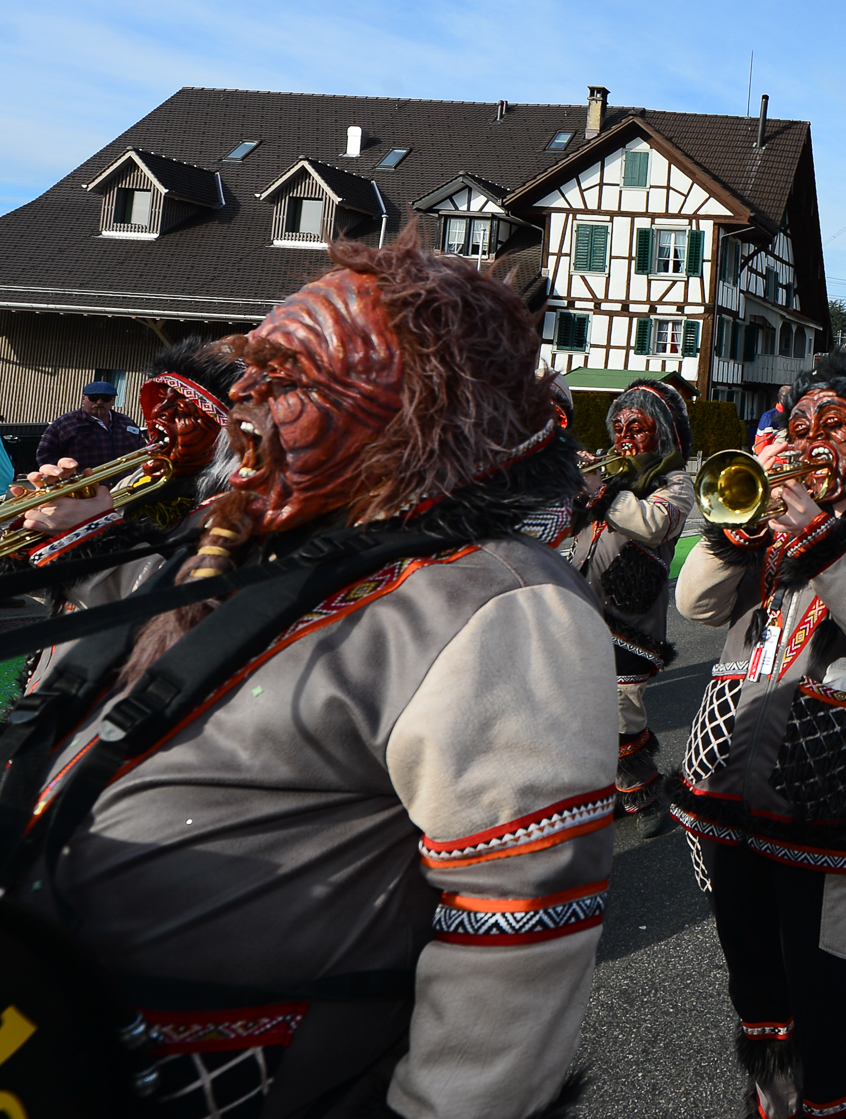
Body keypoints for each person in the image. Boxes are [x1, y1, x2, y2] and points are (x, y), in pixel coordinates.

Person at [0, 235, 611, 1117]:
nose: (241, 393)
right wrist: (92, 541)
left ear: (414, 413)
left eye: (286, 375)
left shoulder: (501, 603)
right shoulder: (244, 535)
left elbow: (517, 925)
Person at [669, 351, 846, 1119]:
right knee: (754, 981)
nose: (812, 440)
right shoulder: (772, 523)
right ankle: (774, 1100)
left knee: (825, 985)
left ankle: (839, 1103)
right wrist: (737, 526)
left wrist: (820, 534)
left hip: (824, 796)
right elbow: (693, 605)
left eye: (835, 425)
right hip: (726, 781)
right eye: (800, 425)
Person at [6, 338, 243, 624]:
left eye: (183, 411)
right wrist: (45, 526)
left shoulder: (241, 514)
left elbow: (191, 613)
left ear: (228, 438)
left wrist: (92, 533)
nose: (158, 414)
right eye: (161, 400)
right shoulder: (140, 478)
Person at [570, 378, 696, 837]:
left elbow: (654, 524)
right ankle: (611, 789)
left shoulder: (674, 481)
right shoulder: (613, 477)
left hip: (631, 615)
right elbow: (568, 528)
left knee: (622, 706)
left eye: (637, 429)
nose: (624, 437)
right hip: (583, 603)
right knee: (582, 702)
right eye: (618, 427)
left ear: (661, 433)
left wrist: (600, 490)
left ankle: (643, 792)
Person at [33, 380, 146, 468]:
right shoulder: (64, 423)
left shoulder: (126, 422)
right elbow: (45, 455)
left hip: (126, 487)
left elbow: (141, 452)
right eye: (94, 398)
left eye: (106, 398)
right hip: (84, 491)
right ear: (83, 399)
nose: (99, 402)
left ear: (113, 400)